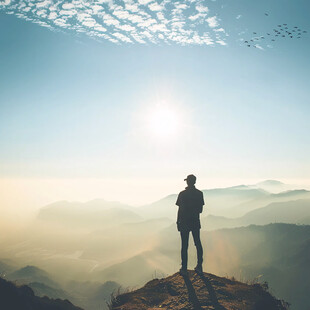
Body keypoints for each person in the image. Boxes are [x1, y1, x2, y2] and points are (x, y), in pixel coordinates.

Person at [176, 174, 204, 275]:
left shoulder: (182, 194)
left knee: (184, 245)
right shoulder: (199, 194)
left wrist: (178, 222)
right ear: (195, 182)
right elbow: (200, 210)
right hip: (195, 221)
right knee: (197, 243)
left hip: (184, 222)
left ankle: (184, 268)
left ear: (187, 182)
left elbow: (179, 210)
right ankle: (199, 266)